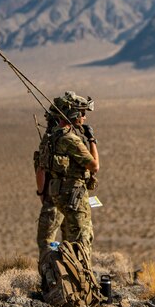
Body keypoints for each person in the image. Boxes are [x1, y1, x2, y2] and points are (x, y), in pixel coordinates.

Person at [42, 92, 99, 253]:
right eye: (82, 113)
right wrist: (92, 140)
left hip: (59, 194)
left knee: (68, 240)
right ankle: (81, 276)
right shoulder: (71, 139)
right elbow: (94, 166)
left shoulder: (52, 137)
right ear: (72, 113)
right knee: (81, 241)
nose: (84, 117)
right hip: (74, 195)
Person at [34, 106, 64, 257]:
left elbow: (41, 171)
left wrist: (41, 193)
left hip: (53, 200)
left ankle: (50, 277)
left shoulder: (50, 142)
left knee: (46, 242)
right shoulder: (72, 139)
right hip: (73, 200)